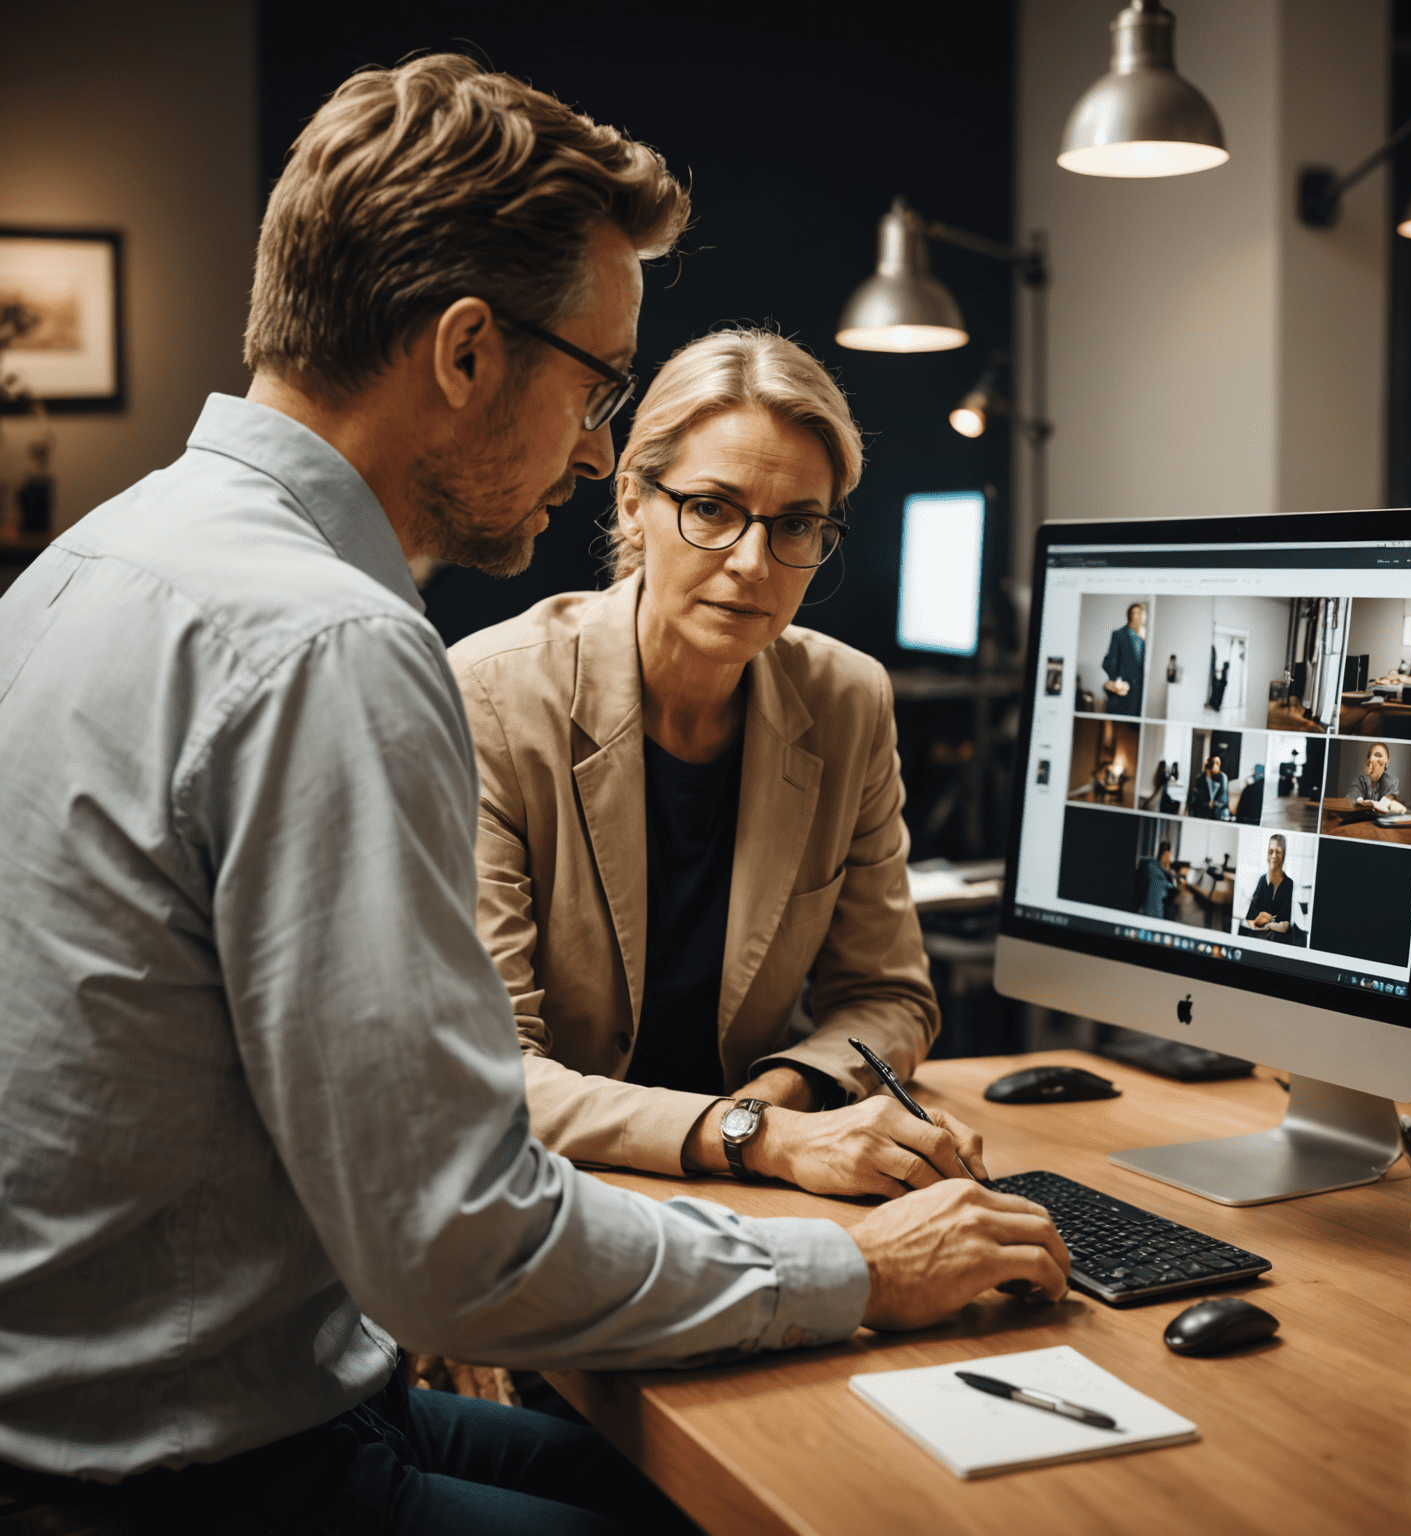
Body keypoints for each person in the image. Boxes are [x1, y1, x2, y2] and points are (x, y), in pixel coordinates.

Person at [0, 56, 1071, 1534]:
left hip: (210, 1392)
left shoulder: (96, 559)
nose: (589, 448)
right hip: (189, 1475)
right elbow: (455, 1245)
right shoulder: (336, 644)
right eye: (597, 385)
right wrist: (859, 1272)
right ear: (462, 352)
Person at [450, 329, 981, 1194]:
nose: (751, 563)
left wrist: (785, 1092)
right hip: (554, 1190)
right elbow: (488, 1069)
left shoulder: (848, 701)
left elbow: (890, 998)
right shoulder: (492, 700)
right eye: (711, 508)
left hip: (762, 1184)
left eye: (797, 526)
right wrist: (752, 1134)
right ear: (631, 503)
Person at [1244, 835, 1294, 939]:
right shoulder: (1262, 880)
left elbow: (1285, 925)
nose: (1274, 856)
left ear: (1284, 856)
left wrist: (1268, 925)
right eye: (1270, 851)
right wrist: (1257, 930)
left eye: (1278, 851)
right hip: (1257, 936)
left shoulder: (1289, 884)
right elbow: (1251, 916)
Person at [1102, 600, 1147, 715]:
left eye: (1140, 613)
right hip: (1122, 692)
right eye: (1134, 613)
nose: (1137, 616)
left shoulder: (1145, 639)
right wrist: (1116, 680)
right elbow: (1109, 662)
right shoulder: (1119, 635)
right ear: (1129, 615)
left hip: (1140, 696)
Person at [1350, 741, 1406, 814]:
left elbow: (1387, 805)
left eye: (1378, 755)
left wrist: (1371, 804)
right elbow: (1351, 801)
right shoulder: (1359, 781)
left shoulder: (1392, 781)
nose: (1372, 759)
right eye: (1370, 756)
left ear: (1387, 760)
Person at [1138, 841, 1185, 919]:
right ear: (1161, 854)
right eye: (1165, 855)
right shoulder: (1152, 866)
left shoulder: (1162, 869)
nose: (1167, 858)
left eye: (1168, 856)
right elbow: (1163, 883)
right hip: (1153, 908)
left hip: (1160, 906)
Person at [1187, 755, 1230, 819]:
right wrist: (1207, 804)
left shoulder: (1223, 778)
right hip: (1202, 815)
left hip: (1218, 815)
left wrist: (1214, 804)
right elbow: (1196, 801)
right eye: (1213, 763)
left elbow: (1224, 799)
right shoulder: (1200, 779)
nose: (1215, 766)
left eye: (1217, 764)